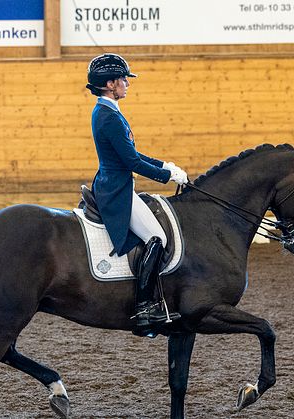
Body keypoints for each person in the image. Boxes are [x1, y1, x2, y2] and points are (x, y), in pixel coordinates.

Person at [85, 53, 188, 337]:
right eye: (123, 80)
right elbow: (131, 163)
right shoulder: (109, 117)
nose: (127, 85)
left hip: (115, 184)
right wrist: (166, 177)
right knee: (157, 238)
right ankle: (143, 306)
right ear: (109, 84)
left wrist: (164, 165)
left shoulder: (108, 111)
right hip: (117, 190)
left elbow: (133, 154)